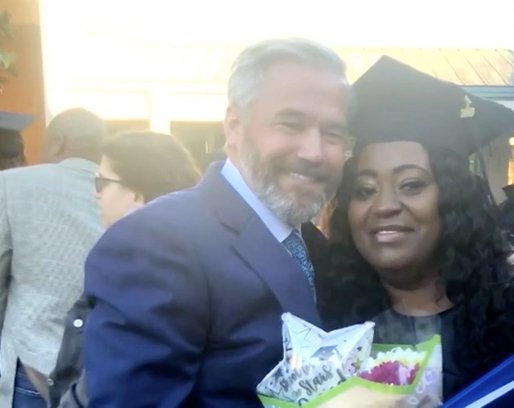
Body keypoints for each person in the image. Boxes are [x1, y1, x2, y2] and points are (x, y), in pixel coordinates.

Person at [317, 56, 514, 407]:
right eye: (364, 189)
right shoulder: (328, 322)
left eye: (411, 184)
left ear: (453, 198)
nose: (383, 205)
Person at [82, 39, 351, 406]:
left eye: (332, 133)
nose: (315, 151)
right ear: (234, 126)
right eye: (291, 124)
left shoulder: (318, 247)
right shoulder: (157, 242)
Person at [49, 131, 201, 407]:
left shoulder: (139, 260)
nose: (94, 194)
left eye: (101, 182)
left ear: (137, 192)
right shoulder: (192, 247)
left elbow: (122, 384)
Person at [0, 108, 106, 407]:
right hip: (95, 372)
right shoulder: (117, 193)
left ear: (57, 142)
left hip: (32, 368)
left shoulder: (11, 184)